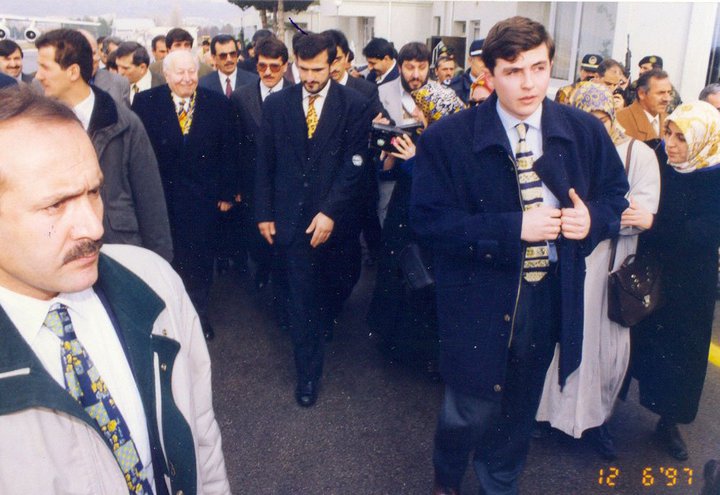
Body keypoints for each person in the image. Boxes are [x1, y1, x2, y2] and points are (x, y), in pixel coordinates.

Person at [409, 16, 629, 494]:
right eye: (512, 71)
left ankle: (499, 483)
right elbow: (426, 222)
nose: (529, 83)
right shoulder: (448, 138)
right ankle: (447, 480)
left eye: (539, 67)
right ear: (488, 74)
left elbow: (616, 194)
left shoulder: (583, 130)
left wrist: (592, 219)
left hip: (547, 294)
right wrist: (513, 228)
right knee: (467, 408)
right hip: (477, 295)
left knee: (520, 407)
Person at [0, 85, 230, 494]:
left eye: (93, 192)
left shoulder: (153, 282)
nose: (94, 228)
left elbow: (202, 437)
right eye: (55, 205)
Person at [535, 82, 660, 460]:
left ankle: (596, 422)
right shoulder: (566, 148)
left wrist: (594, 218)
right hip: (569, 266)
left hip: (610, 268)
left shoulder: (637, 154)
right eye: (587, 118)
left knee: (603, 351)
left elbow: (640, 214)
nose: (595, 126)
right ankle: (553, 418)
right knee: (561, 340)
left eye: (602, 118)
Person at [255, 32, 372, 407]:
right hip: (290, 220)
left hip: (335, 222)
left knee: (332, 292)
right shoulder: (277, 105)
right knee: (302, 302)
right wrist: (264, 212)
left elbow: (354, 166)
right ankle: (307, 377)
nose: (309, 77)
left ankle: (323, 329)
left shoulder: (354, 105)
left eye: (317, 69)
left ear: (334, 63)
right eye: (303, 69)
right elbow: (265, 162)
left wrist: (330, 212)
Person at [630, 100, 720, 461]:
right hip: (650, 268)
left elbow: (704, 233)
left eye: (681, 137)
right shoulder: (658, 159)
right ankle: (602, 411)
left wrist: (653, 224)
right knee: (630, 336)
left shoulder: (714, 175)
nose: (671, 143)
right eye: (668, 132)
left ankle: (669, 422)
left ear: (701, 139)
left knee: (681, 354)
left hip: (690, 283)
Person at [35, 29, 173, 263]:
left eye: (45, 67)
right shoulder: (38, 125)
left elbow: (150, 200)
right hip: (61, 253)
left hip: (118, 250)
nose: (38, 76)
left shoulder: (124, 123)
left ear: (73, 72)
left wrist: (159, 262)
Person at [132, 50, 239, 342]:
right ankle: (169, 319)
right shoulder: (145, 103)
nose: (187, 78)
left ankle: (198, 316)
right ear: (166, 75)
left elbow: (229, 151)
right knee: (166, 260)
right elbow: (138, 154)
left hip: (202, 200)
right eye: (179, 72)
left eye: (192, 72)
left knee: (200, 261)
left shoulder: (218, 104)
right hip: (161, 199)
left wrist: (227, 193)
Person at [367, 80, 464, 374]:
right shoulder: (420, 136)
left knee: (417, 284)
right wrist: (388, 157)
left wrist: (412, 162)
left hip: (421, 231)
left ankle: (415, 355)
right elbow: (389, 175)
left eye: (421, 110)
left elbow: (437, 188)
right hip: (401, 222)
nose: (415, 114)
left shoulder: (452, 146)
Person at [230, 36, 292, 292]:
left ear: (285, 66)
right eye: (262, 66)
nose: (267, 72)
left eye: (274, 66)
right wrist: (235, 185)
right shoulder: (240, 97)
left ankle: (278, 278)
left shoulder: (297, 95)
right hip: (253, 182)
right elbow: (234, 145)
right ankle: (262, 270)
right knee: (257, 236)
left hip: (287, 182)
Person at [617, 69, 673, 142]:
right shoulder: (619, 121)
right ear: (641, 94)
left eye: (669, 93)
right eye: (660, 93)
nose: (667, 99)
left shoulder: (670, 122)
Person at [199, 34, 258, 98]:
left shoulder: (254, 82)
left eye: (232, 54)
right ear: (214, 58)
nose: (229, 59)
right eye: (223, 56)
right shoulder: (203, 84)